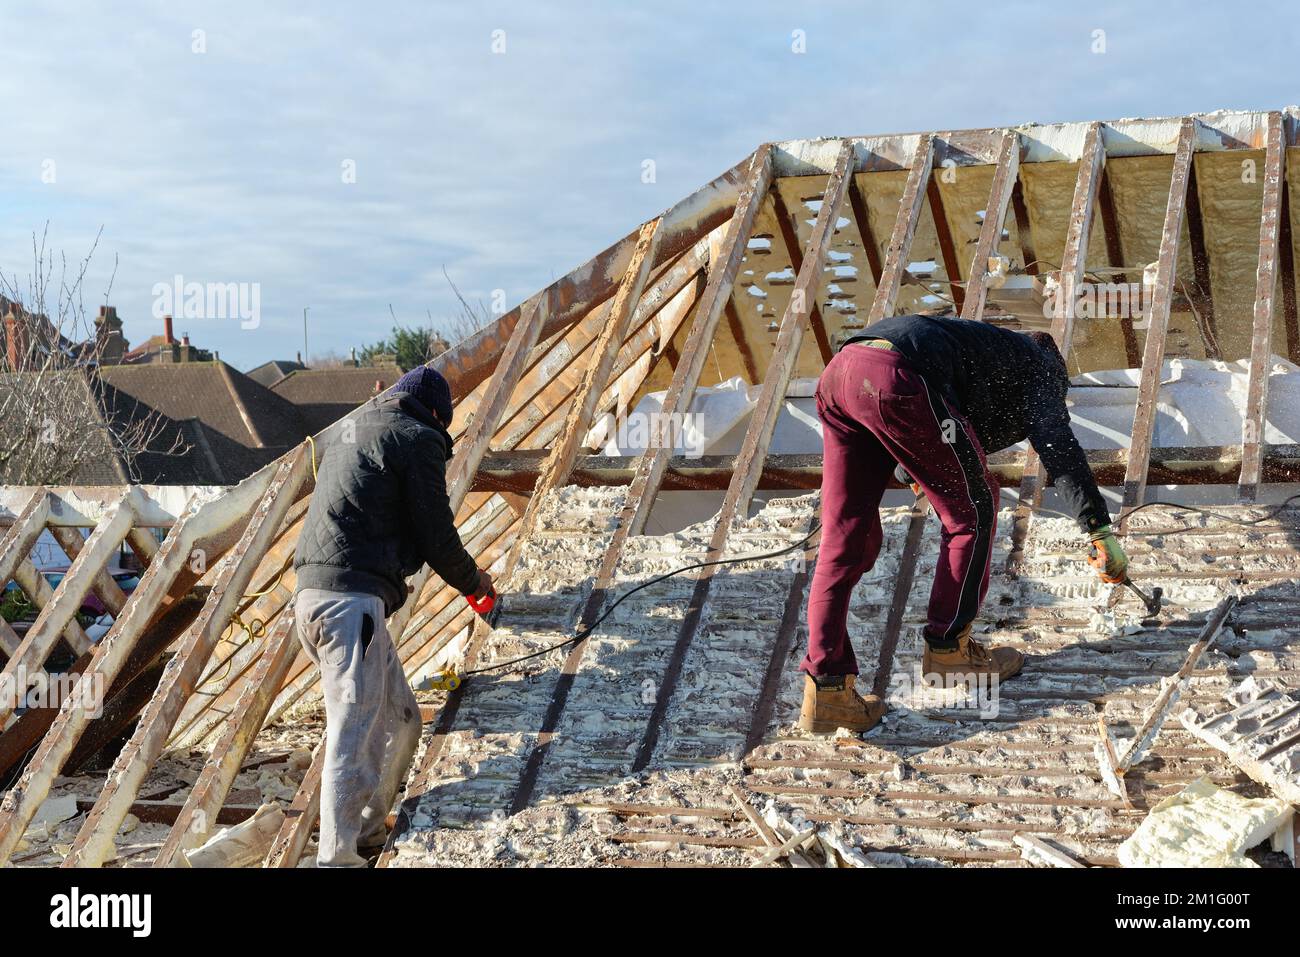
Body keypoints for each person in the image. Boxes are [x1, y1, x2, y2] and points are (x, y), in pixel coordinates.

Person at [798, 313, 1128, 734]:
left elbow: (918, 438)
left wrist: (920, 473)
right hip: (896, 381)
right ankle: (949, 652)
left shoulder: (985, 350)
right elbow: (1060, 453)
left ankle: (827, 691)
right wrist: (1099, 528)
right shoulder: (1040, 371)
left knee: (844, 539)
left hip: (840, 374)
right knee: (974, 511)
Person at [292, 365, 493, 866]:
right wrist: (476, 584)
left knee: (402, 719)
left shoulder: (353, 431)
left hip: (318, 603)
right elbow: (436, 535)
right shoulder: (418, 438)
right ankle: (335, 857)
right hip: (350, 607)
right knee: (353, 730)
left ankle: (364, 831)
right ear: (436, 417)